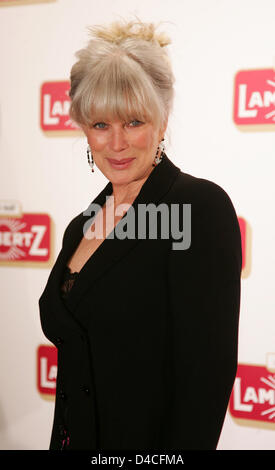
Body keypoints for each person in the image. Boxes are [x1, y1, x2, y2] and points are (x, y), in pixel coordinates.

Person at [39, 18, 242, 451]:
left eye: (133, 122)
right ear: (82, 128)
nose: (116, 144)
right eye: (100, 125)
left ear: (162, 119)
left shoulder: (196, 208)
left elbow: (206, 377)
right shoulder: (82, 226)